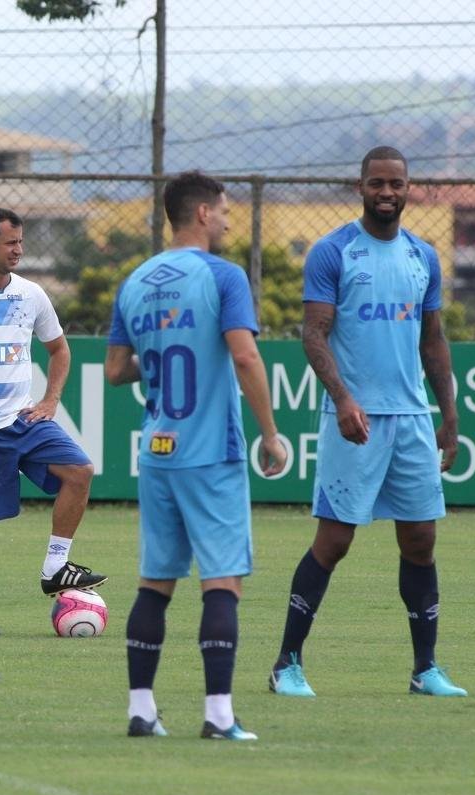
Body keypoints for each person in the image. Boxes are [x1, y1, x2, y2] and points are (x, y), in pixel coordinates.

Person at [269, 146, 467, 699]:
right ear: (360, 187)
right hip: (352, 418)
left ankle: (424, 669)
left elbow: (433, 339)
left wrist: (447, 414)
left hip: (410, 419)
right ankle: (286, 664)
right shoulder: (333, 252)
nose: (387, 192)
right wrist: (344, 398)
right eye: (377, 183)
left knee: (421, 540)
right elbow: (314, 333)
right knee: (334, 541)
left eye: (396, 183)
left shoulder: (423, 257)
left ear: (409, 188)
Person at [105, 171, 287, 740]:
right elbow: (245, 357)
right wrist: (271, 434)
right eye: (226, 210)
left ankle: (141, 710)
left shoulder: (134, 282)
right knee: (222, 582)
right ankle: (218, 716)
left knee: (155, 583)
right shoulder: (223, 277)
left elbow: (115, 371)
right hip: (210, 451)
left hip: (157, 449)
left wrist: (158, 354)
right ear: (203, 213)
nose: (230, 219)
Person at [0, 207, 102, 636]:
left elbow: (60, 350)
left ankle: (55, 567)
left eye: (21, 242)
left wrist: (50, 399)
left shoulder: (31, 294)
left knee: (80, 470)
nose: (19, 250)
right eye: (11, 242)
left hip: (22, 420)